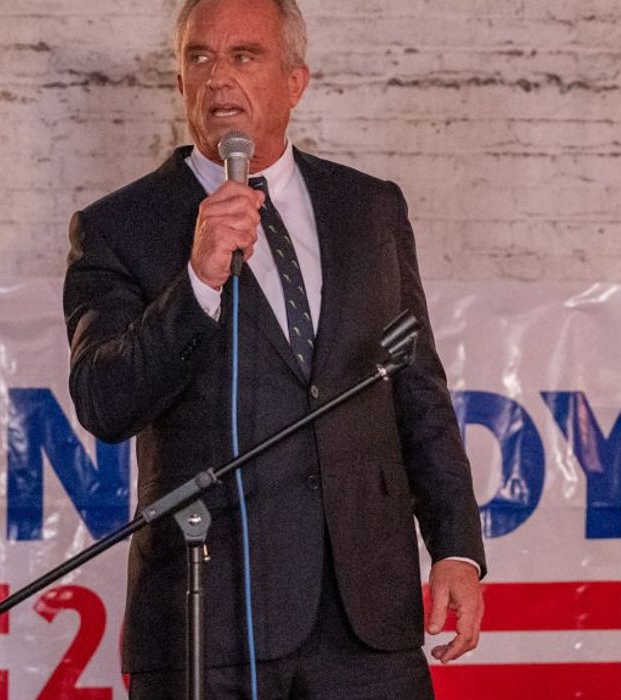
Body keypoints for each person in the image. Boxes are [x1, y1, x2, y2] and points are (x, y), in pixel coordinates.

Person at [63, 0, 485, 696]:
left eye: (244, 56)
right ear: (180, 83)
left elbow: (415, 389)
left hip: (366, 619)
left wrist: (457, 548)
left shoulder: (370, 208)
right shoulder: (120, 226)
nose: (217, 77)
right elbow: (104, 402)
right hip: (208, 617)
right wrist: (197, 281)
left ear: (295, 82)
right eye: (199, 57)